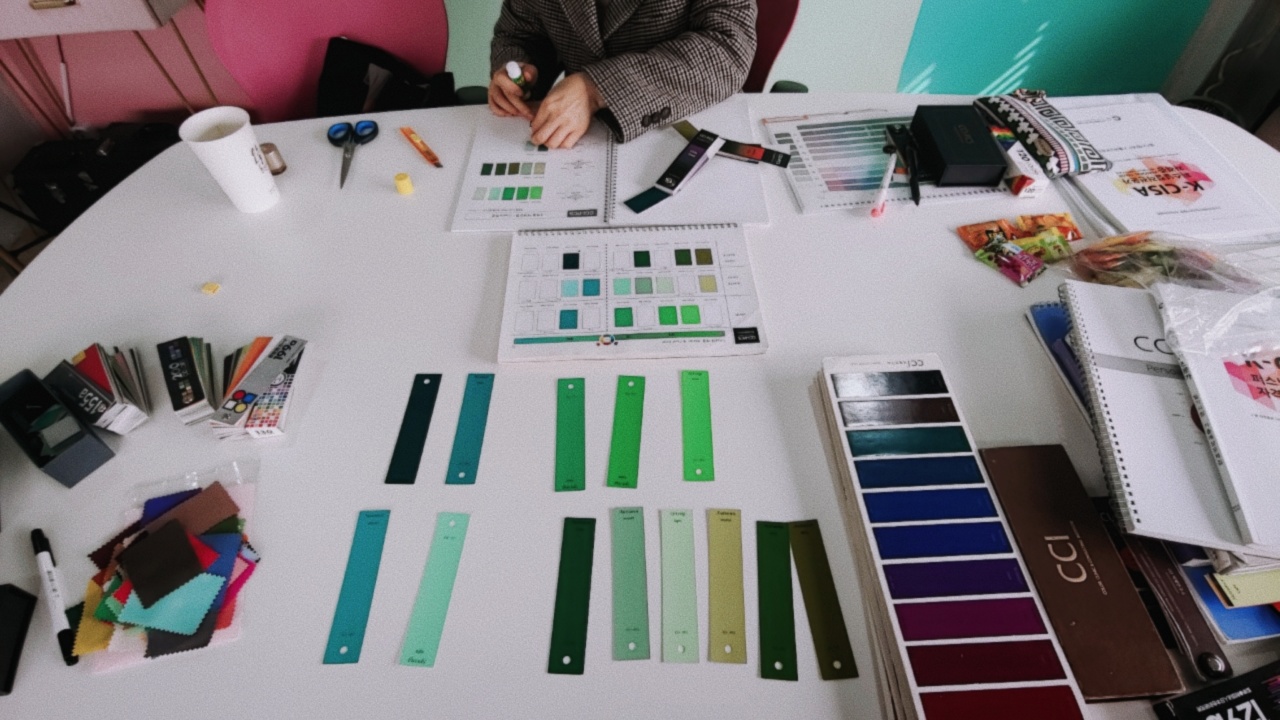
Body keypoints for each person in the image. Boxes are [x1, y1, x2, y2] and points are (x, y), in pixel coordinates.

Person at [488, 0, 757, 149]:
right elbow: (520, 33)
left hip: (689, 122)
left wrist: (596, 88)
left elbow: (729, 48)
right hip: (579, 139)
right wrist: (518, 69)